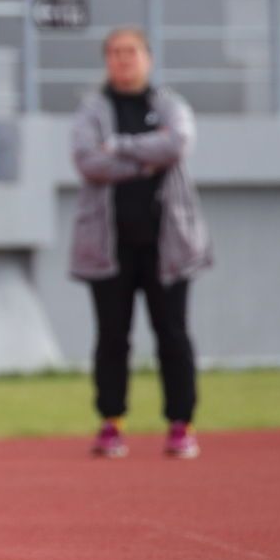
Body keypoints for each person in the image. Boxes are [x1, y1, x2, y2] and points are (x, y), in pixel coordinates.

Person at [70, 26, 211, 459]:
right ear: (106, 60)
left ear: (147, 58)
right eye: (115, 52)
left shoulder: (168, 104)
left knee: (173, 335)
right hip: (109, 247)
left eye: (130, 51)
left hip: (168, 246)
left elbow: (177, 144)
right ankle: (112, 422)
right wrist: (145, 162)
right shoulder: (92, 109)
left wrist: (119, 147)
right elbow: (88, 161)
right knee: (112, 337)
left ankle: (181, 424)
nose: (123, 59)